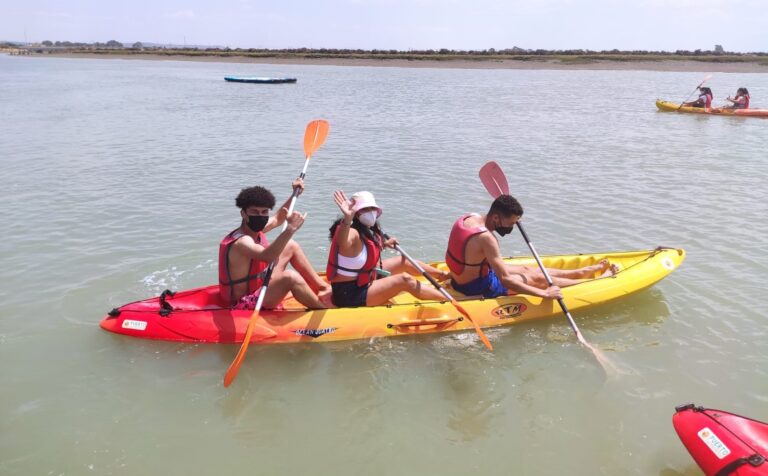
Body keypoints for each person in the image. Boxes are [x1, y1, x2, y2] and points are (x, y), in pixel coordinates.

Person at [446, 195, 617, 300]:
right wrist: (545, 294)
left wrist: (513, 217)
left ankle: (581, 271)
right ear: (496, 218)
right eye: (511, 223)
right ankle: (593, 281)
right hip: (476, 286)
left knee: (528, 269)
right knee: (539, 280)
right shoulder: (487, 239)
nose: (512, 227)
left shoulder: (469, 218)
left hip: (468, 276)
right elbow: (505, 280)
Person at [219, 179, 332, 310]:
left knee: (290, 245)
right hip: (244, 302)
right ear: (243, 214)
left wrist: (295, 194)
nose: (260, 216)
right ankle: (321, 309)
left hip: (260, 286)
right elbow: (268, 256)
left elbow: (278, 218)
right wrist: (290, 229)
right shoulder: (242, 242)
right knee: (290, 277)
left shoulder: (255, 229)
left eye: (264, 212)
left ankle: (322, 287)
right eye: (254, 212)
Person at [326, 190, 449, 307]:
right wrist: (347, 218)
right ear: (356, 213)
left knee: (404, 261)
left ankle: (444, 276)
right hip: (349, 294)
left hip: (363, 278)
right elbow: (342, 242)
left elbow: (363, 251)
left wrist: (384, 244)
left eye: (372, 208)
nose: (370, 212)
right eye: (365, 209)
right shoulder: (351, 232)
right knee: (404, 280)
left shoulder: (365, 230)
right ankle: (448, 299)